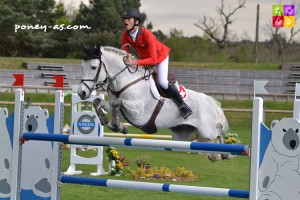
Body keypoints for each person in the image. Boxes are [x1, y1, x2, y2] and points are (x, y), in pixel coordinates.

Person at [121, 7, 192, 119]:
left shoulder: (147, 34)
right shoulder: (126, 35)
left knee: (162, 82)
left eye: (128, 18)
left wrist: (134, 62)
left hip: (160, 57)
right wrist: (124, 59)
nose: (125, 21)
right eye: (124, 19)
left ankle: (183, 106)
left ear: (137, 21)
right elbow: (122, 52)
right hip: (145, 59)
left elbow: (153, 60)